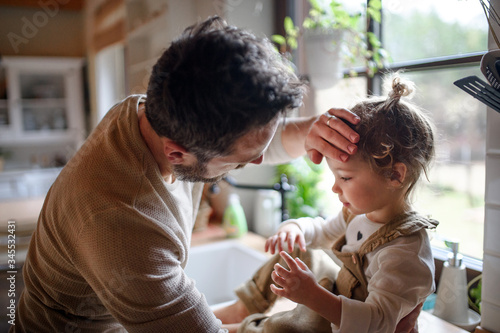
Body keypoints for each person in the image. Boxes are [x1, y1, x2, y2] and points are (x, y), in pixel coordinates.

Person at [12, 16, 361, 332]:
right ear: (176, 152)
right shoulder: (125, 224)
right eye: (239, 163)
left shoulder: (153, 110)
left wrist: (311, 129)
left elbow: (246, 140)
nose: (255, 162)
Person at [217, 74, 439, 333]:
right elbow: (322, 232)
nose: (335, 188)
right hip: (339, 295)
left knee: (284, 328)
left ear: (395, 175)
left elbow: (377, 323)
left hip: (349, 325)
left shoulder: (404, 254)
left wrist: (312, 296)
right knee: (300, 251)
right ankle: (242, 308)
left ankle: (243, 329)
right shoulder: (359, 214)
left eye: (345, 177)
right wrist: (297, 229)